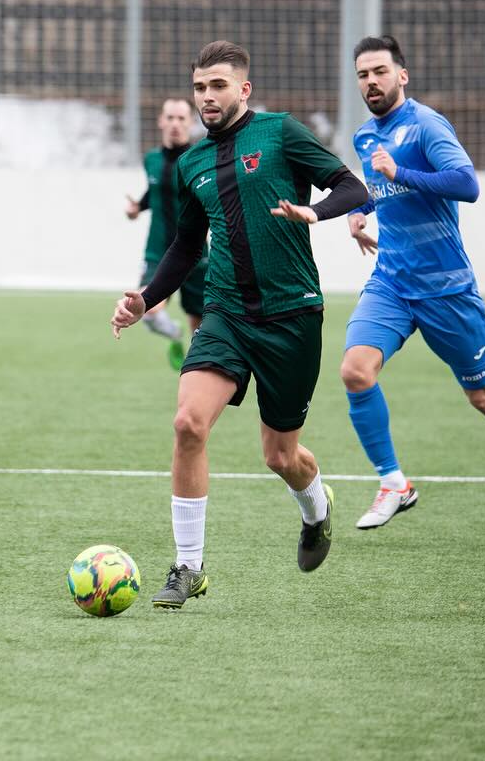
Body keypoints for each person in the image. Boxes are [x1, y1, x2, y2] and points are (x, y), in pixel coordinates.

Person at [110, 40, 369, 609]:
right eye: (199, 87)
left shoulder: (280, 132)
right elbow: (184, 245)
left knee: (280, 456)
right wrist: (146, 299)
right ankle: (188, 566)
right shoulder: (192, 162)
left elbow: (354, 188)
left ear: (243, 89)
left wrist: (315, 212)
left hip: (293, 315)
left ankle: (316, 509)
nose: (206, 97)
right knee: (187, 424)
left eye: (218, 86)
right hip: (225, 313)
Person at [341, 35, 485, 537]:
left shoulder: (426, 125)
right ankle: (394, 483)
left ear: (403, 75)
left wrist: (403, 171)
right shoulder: (364, 136)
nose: (370, 82)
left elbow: (467, 184)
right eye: (362, 74)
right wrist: (359, 211)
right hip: (392, 283)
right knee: (356, 371)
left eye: (379, 71)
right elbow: (380, 188)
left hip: (446, 290)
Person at [124, 98, 207, 370]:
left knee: (200, 325)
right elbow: (155, 191)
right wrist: (138, 207)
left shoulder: (199, 159)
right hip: (158, 252)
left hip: (196, 254)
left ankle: (196, 372)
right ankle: (172, 332)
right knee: (144, 309)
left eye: (181, 118)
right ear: (160, 121)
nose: (175, 124)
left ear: (191, 123)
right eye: (169, 117)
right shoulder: (151, 160)